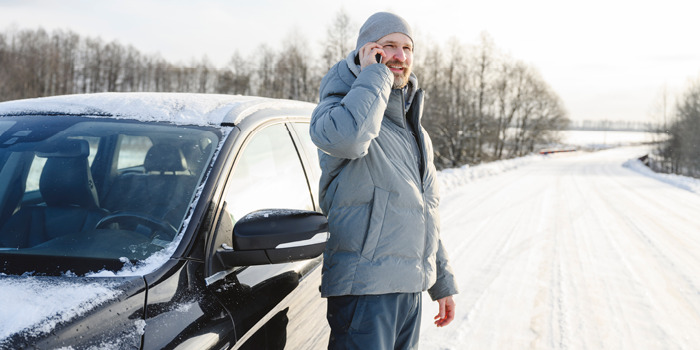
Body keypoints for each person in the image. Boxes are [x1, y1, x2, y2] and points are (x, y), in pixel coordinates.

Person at [310, 11, 458, 350]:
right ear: (366, 52)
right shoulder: (336, 109)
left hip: (408, 291)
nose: (400, 56)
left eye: (407, 48)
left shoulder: (413, 130)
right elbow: (349, 138)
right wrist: (374, 74)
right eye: (388, 46)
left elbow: (422, 211)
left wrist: (442, 282)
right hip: (365, 290)